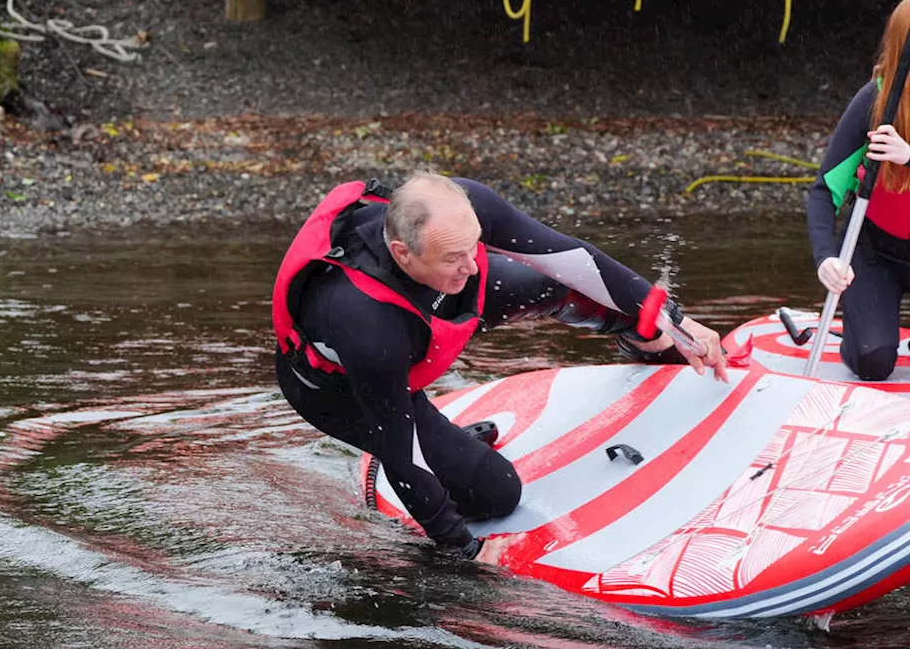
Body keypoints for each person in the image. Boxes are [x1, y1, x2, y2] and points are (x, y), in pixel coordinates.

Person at [271, 172, 728, 560]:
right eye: (454, 256)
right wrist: (465, 554)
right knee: (498, 495)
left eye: (474, 247)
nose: (471, 265)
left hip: (426, 310)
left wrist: (675, 320)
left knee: (557, 284)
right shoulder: (364, 322)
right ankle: (455, 446)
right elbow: (401, 457)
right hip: (345, 390)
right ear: (402, 251)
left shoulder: (459, 214)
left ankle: (647, 343)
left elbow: (575, 260)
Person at [808, 0, 910, 382]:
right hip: (876, 252)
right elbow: (823, 192)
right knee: (873, 361)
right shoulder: (873, 102)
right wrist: (825, 258)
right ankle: (862, 330)